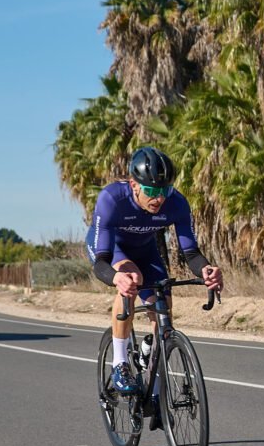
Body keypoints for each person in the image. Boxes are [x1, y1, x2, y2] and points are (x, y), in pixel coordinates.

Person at [86, 146, 224, 427]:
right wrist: (116, 277)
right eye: (151, 191)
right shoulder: (112, 199)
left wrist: (206, 270)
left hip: (146, 250)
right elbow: (100, 261)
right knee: (131, 278)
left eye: (164, 190)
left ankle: (156, 387)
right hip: (111, 250)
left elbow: (191, 253)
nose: (158, 198)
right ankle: (121, 362)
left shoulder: (176, 202)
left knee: (162, 305)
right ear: (134, 185)